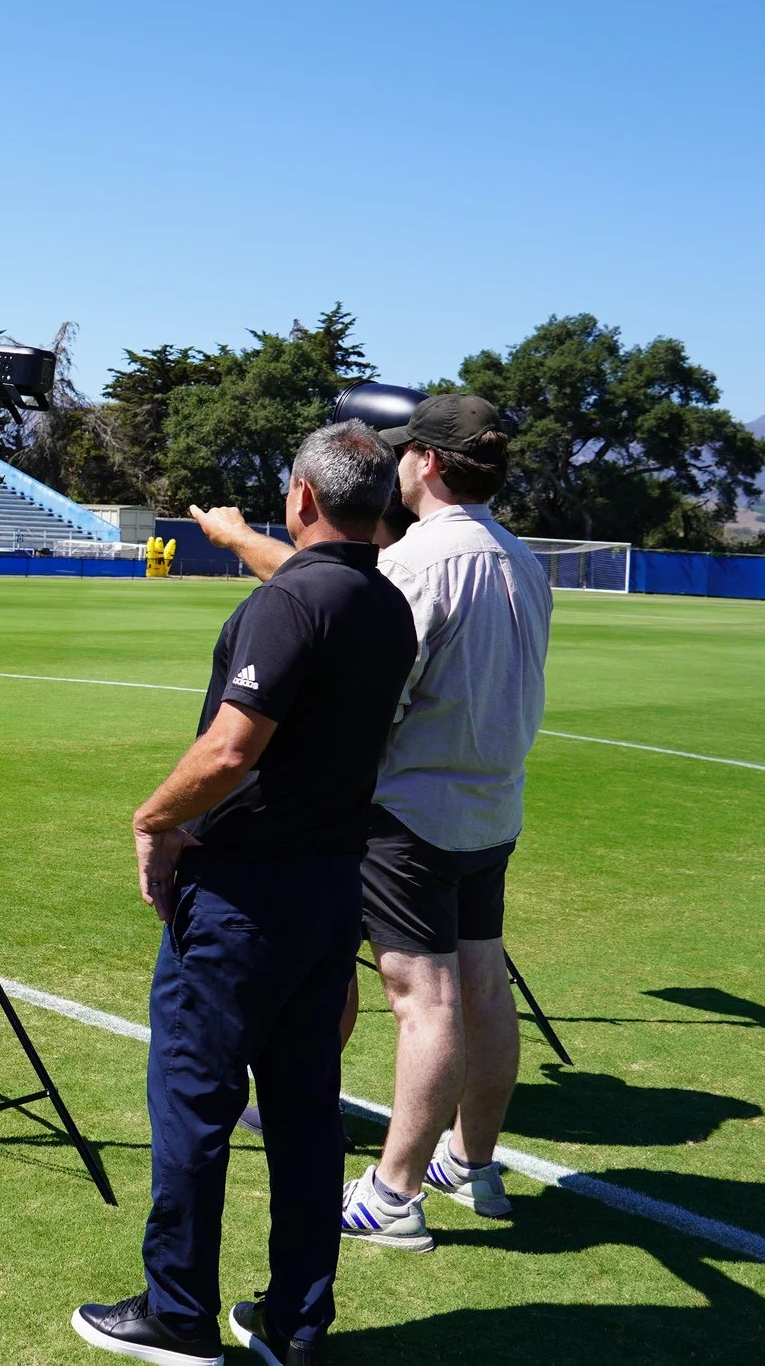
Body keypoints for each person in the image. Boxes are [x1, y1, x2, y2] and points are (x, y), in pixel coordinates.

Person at [71, 422, 414, 1366]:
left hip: (242, 900)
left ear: (302, 496)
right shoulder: (385, 606)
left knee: (193, 1103)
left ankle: (177, 1311)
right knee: (307, 1114)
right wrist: (233, 538)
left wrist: (153, 820)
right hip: (329, 891)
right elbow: (316, 594)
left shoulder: (292, 604)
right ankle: (298, 1322)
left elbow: (229, 749)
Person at [194, 395, 553, 1248]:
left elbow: (353, 642)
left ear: (425, 462)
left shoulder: (421, 560)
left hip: (408, 813)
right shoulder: (521, 557)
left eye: (404, 454)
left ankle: (392, 1193)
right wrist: (246, 540)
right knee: (482, 983)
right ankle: (471, 1158)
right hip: (492, 804)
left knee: (421, 1000)